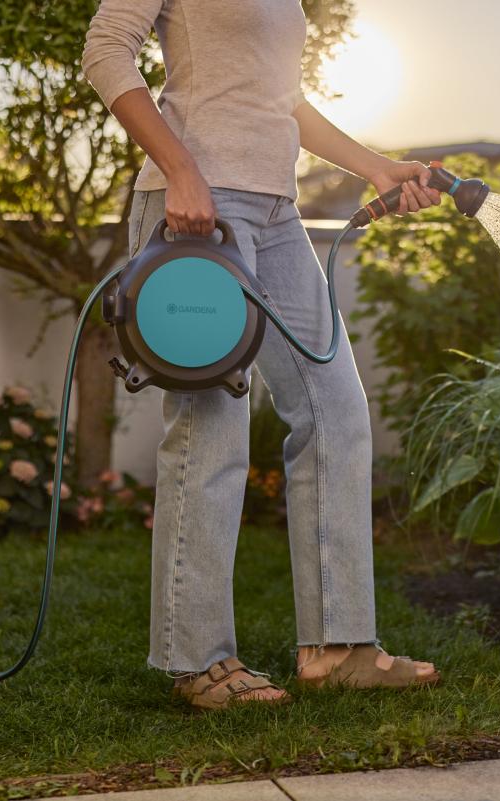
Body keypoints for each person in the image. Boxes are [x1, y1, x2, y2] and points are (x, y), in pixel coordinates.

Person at [82, 0, 441, 710]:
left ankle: (338, 646)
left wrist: (374, 167)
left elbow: (281, 98)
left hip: (277, 211)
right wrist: (181, 170)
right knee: (212, 427)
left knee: (335, 409)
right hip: (198, 207)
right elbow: (104, 51)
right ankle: (198, 660)